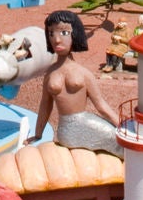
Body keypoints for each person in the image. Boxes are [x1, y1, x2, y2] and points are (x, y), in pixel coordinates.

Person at [32, 10, 118, 153]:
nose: (57, 40)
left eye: (64, 33)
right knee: (116, 141)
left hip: (83, 121)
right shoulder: (50, 73)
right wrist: (37, 134)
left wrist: (122, 126)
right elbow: (45, 105)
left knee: (118, 140)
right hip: (65, 130)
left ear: (75, 34)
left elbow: (101, 105)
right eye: (51, 33)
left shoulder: (84, 73)